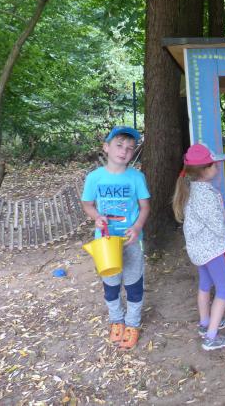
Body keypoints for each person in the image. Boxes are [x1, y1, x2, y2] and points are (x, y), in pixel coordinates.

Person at [81, 126, 151, 351]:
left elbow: (144, 206)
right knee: (111, 284)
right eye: (119, 145)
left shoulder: (137, 177)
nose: (124, 151)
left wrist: (138, 227)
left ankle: (132, 323)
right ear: (106, 147)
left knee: (133, 283)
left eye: (130, 148)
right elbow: (87, 204)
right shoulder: (95, 177)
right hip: (105, 243)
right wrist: (97, 217)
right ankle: (116, 320)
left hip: (130, 242)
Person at [172, 143, 225, 351]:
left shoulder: (190, 189)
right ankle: (211, 337)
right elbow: (219, 228)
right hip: (211, 250)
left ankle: (204, 323)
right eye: (214, 165)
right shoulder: (207, 196)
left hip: (197, 249)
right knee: (224, 286)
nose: (217, 169)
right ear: (204, 170)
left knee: (204, 284)